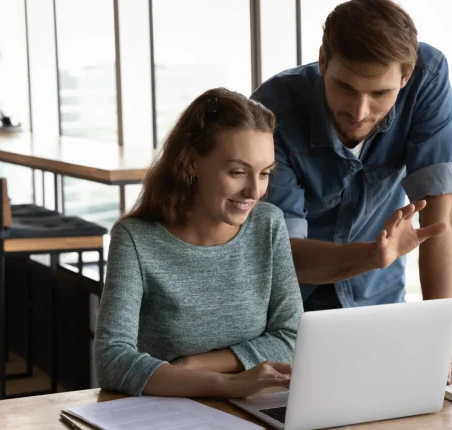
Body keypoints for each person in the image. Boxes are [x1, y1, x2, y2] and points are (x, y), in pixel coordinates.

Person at [252, 0, 452, 384]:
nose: (359, 111)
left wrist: (437, 339)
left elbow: (440, 218)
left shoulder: (427, 78)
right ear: (322, 62)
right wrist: (373, 255)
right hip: (287, 315)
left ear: (406, 76)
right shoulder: (273, 108)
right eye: (344, 87)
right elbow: (283, 258)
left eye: (379, 93)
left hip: (377, 305)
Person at [94, 88, 304, 398]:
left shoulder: (268, 225)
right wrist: (228, 384)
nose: (254, 191)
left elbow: (293, 337)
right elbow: (111, 359)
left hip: (252, 406)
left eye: (265, 173)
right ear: (192, 162)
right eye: (237, 172)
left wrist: (196, 365)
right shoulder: (135, 240)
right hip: (168, 412)